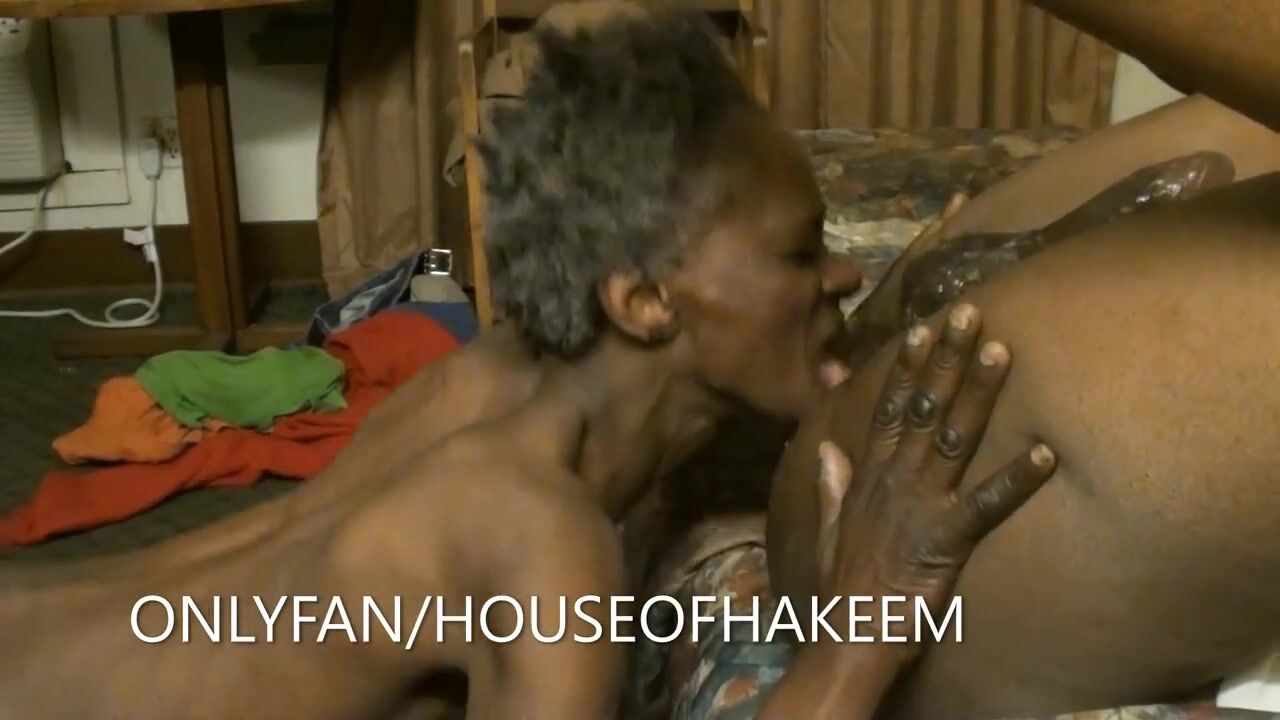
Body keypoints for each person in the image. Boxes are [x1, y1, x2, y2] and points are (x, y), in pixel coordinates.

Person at [0, 8, 1049, 718]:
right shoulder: (542, 542)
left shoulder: (488, 380)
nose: (844, 275)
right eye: (799, 253)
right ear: (641, 300)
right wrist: (864, 625)